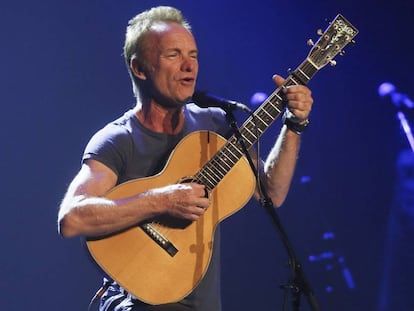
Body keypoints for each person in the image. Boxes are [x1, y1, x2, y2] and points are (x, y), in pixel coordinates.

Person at [57, 5, 314, 311]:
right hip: (136, 303)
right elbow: (72, 218)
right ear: (139, 68)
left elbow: (272, 192)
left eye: (193, 55)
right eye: (173, 55)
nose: (189, 66)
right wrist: (162, 200)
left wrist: (293, 124)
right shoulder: (118, 139)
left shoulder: (217, 125)